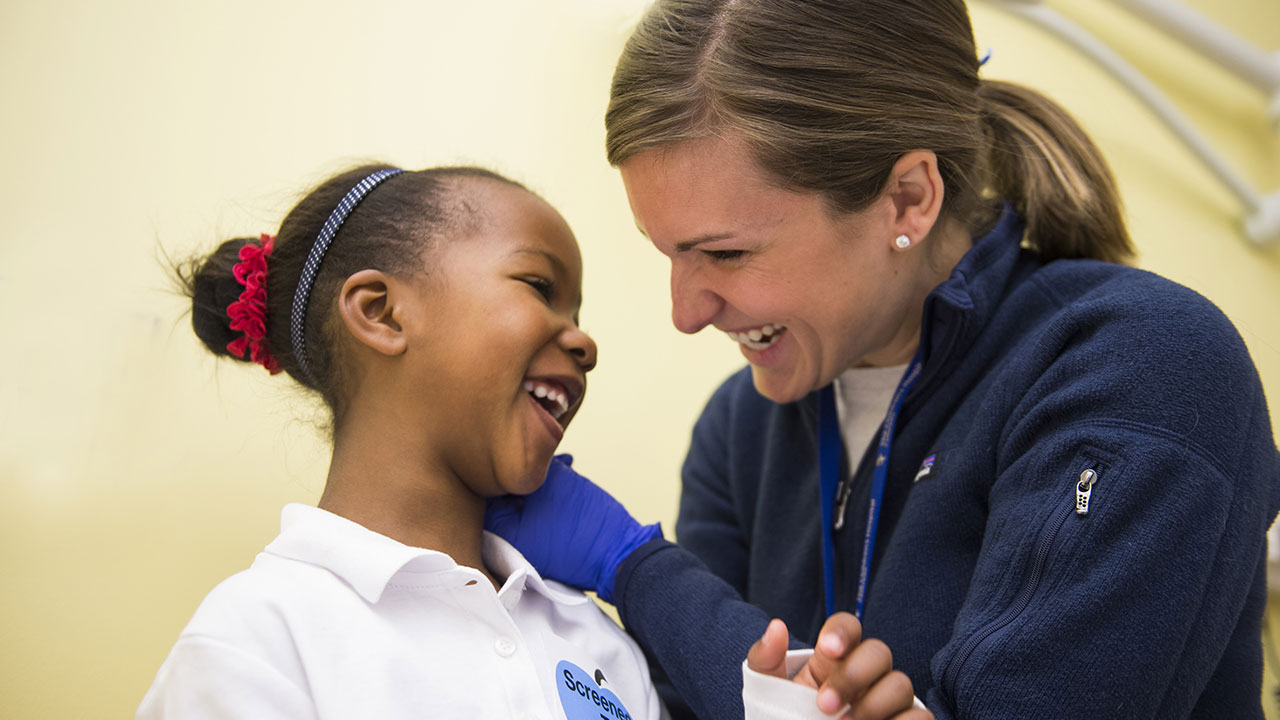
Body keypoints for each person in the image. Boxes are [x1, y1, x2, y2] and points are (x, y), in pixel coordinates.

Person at [484, 1, 1280, 718]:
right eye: (667, 255)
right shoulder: (740, 431)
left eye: (725, 253)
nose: (685, 314)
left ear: (907, 199)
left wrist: (639, 569)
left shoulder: (1135, 367)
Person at [138, 164, 922, 720]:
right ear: (379, 312)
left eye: (576, 309)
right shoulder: (259, 643)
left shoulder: (591, 639)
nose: (582, 341)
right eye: (539, 287)